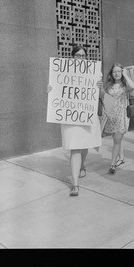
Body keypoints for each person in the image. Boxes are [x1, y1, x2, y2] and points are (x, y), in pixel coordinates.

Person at [47, 45, 104, 196]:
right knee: (75, 148)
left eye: (83, 55)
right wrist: (50, 90)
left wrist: (100, 87)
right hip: (71, 116)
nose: (80, 58)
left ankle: (82, 166)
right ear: (72, 57)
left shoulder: (95, 72)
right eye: (77, 55)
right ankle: (75, 184)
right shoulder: (63, 71)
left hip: (86, 115)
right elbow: (57, 92)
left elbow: (102, 95)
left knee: (83, 145)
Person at [103, 63, 134, 173]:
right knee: (116, 139)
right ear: (111, 73)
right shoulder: (109, 86)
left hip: (122, 115)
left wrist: (125, 75)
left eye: (119, 71)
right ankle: (121, 158)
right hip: (111, 115)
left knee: (117, 140)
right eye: (114, 71)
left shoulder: (125, 85)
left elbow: (133, 86)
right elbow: (105, 99)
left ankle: (112, 164)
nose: (117, 73)